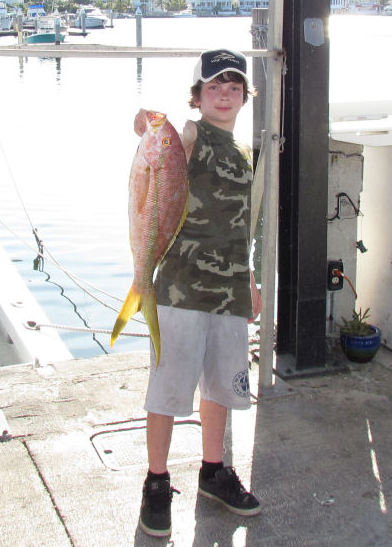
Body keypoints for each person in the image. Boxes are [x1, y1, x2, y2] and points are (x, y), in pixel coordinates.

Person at [137, 48, 262, 538]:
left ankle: (213, 471)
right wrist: (151, 123)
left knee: (220, 386)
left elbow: (241, 227)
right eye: (214, 87)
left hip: (230, 287)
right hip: (180, 287)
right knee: (169, 388)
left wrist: (249, 279)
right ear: (197, 97)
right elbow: (148, 126)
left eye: (234, 88)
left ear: (244, 97)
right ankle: (156, 482)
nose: (225, 95)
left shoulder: (243, 152)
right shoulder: (190, 136)